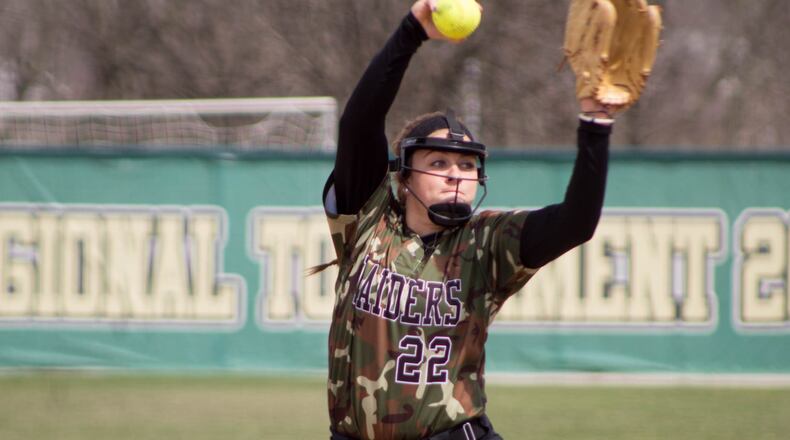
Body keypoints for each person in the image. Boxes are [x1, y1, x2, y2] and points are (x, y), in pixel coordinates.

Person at [322, 1, 616, 439]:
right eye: (438, 163)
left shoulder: (486, 242)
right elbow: (360, 121)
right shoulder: (369, 218)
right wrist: (412, 30)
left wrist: (595, 123)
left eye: (466, 166)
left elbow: (577, 222)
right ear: (403, 177)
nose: (456, 176)